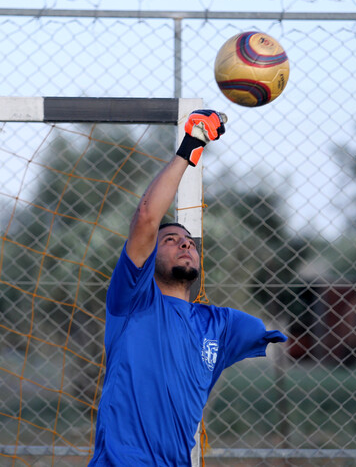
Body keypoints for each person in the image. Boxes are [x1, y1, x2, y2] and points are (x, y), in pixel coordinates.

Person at [88, 109, 287, 466]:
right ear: (149, 256)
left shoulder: (221, 325)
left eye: (189, 241)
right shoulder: (133, 300)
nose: (184, 243)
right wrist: (191, 146)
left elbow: (276, 332)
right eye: (170, 240)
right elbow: (147, 217)